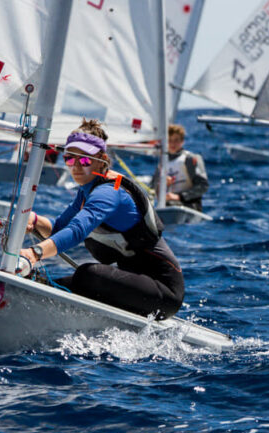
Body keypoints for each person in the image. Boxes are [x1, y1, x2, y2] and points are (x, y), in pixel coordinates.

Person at [20, 119, 184, 319]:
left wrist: (35, 253)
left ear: (102, 159)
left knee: (88, 274)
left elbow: (77, 230)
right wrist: (34, 220)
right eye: (70, 159)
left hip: (163, 293)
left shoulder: (110, 192)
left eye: (86, 160)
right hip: (134, 286)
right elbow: (59, 229)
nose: (77, 166)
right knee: (44, 283)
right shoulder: (87, 190)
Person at [150, 123, 209, 211]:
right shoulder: (162, 163)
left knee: (169, 204)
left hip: (190, 205)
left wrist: (179, 197)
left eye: (176, 140)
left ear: (182, 141)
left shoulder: (189, 159)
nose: (172, 143)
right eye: (169, 140)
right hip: (167, 206)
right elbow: (152, 190)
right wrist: (162, 184)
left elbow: (202, 186)